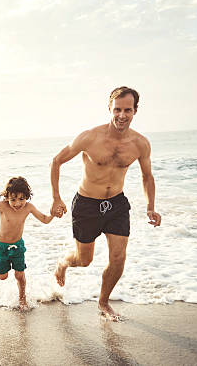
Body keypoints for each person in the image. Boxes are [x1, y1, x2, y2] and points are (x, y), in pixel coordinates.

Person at [50, 86, 161, 321]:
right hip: (87, 205)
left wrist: (150, 205)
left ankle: (103, 302)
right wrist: (56, 198)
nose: (122, 115)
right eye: (117, 109)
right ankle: (62, 263)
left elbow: (147, 176)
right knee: (84, 260)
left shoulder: (140, 144)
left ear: (135, 111)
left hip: (117, 205)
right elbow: (57, 161)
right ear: (109, 109)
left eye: (127, 110)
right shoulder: (90, 137)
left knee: (119, 257)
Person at [0, 176, 54, 311]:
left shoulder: (28, 208)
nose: (17, 203)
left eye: (21, 199)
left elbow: (45, 219)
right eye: (13, 199)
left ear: (27, 197)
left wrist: (53, 213)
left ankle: (22, 300)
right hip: (1, 246)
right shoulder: (2, 206)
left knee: (19, 275)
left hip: (18, 247)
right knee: (2, 277)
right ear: (7, 198)